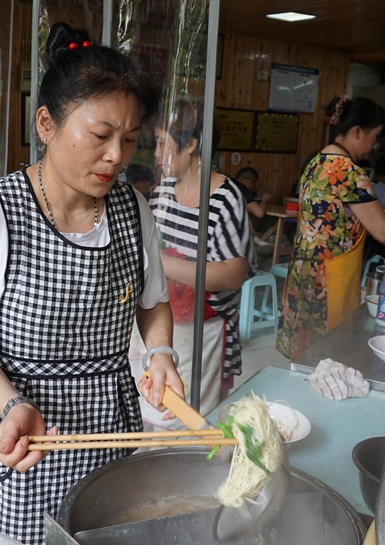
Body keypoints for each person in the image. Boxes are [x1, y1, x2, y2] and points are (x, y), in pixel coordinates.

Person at [0, 22, 183, 545]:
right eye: (100, 135)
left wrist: (161, 355)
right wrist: (13, 406)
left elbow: (153, 305)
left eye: (130, 140)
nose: (116, 156)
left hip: (111, 433)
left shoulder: (133, 211)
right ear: (46, 124)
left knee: (105, 533)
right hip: (26, 439)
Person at [131, 96, 255, 421]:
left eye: (162, 142)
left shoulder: (226, 198)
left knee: (190, 422)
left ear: (191, 145)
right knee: (151, 413)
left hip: (203, 334)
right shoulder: (162, 192)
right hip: (163, 325)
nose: (156, 153)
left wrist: (161, 261)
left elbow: (234, 273)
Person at [276, 95, 385, 360]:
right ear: (358, 131)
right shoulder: (349, 172)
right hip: (329, 280)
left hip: (303, 273)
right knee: (328, 357)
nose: (374, 145)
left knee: (305, 355)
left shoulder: (315, 162)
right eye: (375, 136)